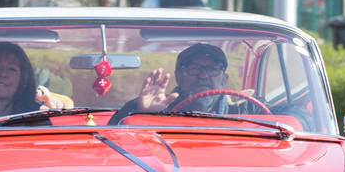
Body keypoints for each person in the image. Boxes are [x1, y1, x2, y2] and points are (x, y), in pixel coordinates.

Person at [111, 43, 260, 121]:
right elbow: (113, 137)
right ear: (178, 77)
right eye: (194, 68)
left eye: (213, 69)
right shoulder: (151, 106)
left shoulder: (247, 108)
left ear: (224, 79)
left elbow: (283, 121)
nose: (203, 75)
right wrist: (143, 115)